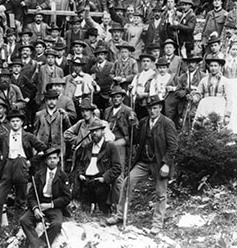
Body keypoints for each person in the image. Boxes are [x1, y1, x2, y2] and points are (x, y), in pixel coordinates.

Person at [106, 94, 177, 235]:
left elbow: (173, 146)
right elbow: (136, 139)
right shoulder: (144, 122)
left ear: (160, 108)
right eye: (150, 109)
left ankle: (157, 224)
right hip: (144, 162)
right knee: (127, 182)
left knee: (161, 194)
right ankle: (120, 215)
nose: (152, 111)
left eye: (155, 108)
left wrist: (166, 164)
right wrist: (132, 124)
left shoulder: (167, 123)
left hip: (159, 163)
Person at [0, 109, 47, 222]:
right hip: (7, 165)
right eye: (13, 121)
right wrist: (0, 156)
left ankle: (18, 223)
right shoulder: (4, 136)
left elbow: (42, 149)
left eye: (17, 121)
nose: (15, 123)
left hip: (22, 165)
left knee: (21, 198)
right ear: (9, 123)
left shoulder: (28, 136)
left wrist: (31, 161)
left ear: (22, 122)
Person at [19, 147, 71, 248]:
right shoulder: (39, 175)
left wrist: (50, 205)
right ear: (46, 161)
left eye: (54, 158)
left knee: (57, 224)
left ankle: (41, 243)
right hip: (40, 203)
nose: (52, 160)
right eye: (50, 158)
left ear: (58, 159)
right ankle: (37, 244)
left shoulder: (63, 176)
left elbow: (67, 198)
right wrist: (35, 209)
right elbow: (31, 195)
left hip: (53, 205)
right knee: (24, 220)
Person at [71, 119, 122, 215]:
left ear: (102, 131)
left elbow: (117, 168)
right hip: (86, 182)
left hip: (101, 183)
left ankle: (105, 210)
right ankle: (85, 208)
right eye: (92, 131)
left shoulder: (110, 147)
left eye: (97, 130)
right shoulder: (87, 147)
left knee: (103, 212)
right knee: (83, 214)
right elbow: (80, 164)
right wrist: (81, 174)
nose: (94, 133)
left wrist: (104, 178)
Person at [103, 86, 134, 172]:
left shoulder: (128, 111)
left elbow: (134, 129)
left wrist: (126, 140)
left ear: (123, 98)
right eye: (113, 97)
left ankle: (120, 184)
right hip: (108, 141)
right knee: (107, 168)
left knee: (118, 169)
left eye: (118, 97)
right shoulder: (107, 111)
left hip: (121, 141)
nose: (115, 99)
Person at [194, 57, 230, 126]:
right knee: (204, 125)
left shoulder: (225, 81)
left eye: (215, 66)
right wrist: (194, 97)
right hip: (205, 105)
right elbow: (198, 93)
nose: (213, 68)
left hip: (219, 105)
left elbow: (229, 99)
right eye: (211, 66)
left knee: (217, 126)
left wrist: (227, 115)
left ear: (220, 66)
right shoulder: (204, 80)